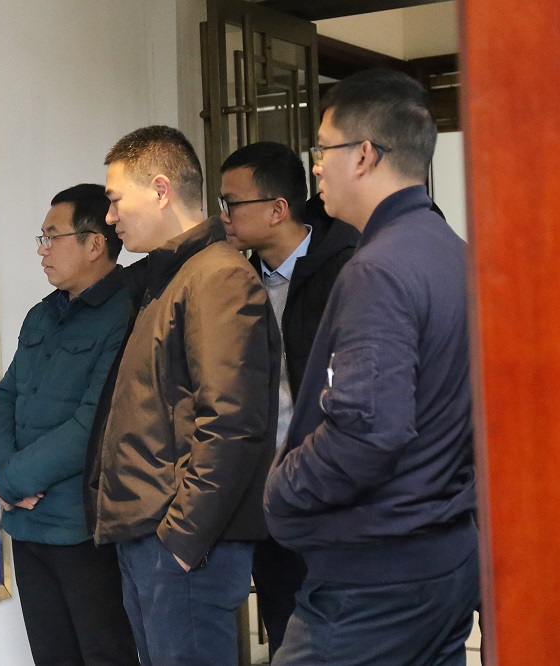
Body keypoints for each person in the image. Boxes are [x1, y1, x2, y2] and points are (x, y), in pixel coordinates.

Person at [264, 69, 478, 664]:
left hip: (375, 578)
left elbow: (368, 430)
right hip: (442, 558)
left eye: (322, 150)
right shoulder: (451, 251)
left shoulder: (378, 269)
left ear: (363, 155)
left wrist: (283, 487)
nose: (316, 169)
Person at [85, 125, 279, 666]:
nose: (110, 217)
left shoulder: (216, 276)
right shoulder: (172, 275)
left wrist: (183, 539)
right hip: (152, 537)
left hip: (182, 546)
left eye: (116, 200)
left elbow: (233, 423)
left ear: (161, 190)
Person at [0, 183, 137, 665]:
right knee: (51, 655)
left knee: (104, 653)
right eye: (42, 237)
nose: (42, 249)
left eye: (52, 237)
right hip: (27, 524)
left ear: (94, 244)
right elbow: (8, 396)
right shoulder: (41, 315)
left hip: (84, 531)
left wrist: (10, 479)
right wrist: (4, 475)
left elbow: (93, 424)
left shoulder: (127, 314)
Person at [218, 142, 360, 658]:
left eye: (233, 203)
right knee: (285, 637)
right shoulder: (236, 282)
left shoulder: (348, 270)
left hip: (333, 496)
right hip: (268, 496)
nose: (223, 215)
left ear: (278, 209)